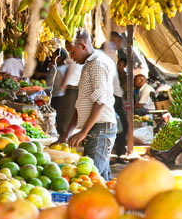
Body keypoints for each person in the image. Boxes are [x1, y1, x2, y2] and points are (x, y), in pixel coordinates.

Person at [58, 30, 117, 181]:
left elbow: (100, 100)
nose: (70, 57)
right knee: (99, 179)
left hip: (101, 130)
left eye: (72, 52)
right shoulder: (88, 64)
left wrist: (83, 132)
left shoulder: (98, 64)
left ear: (83, 46)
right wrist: (66, 134)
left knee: (89, 179)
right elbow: (82, 104)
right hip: (96, 129)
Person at [102, 42, 128, 163]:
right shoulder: (102, 63)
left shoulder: (111, 63)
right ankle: (109, 155)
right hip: (109, 98)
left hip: (117, 98)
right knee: (111, 127)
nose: (114, 54)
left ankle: (119, 154)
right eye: (113, 51)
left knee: (123, 126)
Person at [46, 49, 69, 131]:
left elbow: (48, 83)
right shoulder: (67, 67)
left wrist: (50, 70)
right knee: (61, 120)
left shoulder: (56, 70)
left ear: (60, 57)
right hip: (64, 96)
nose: (52, 58)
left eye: (54, 56)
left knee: (55, 119)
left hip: (55, 96)